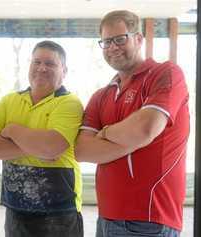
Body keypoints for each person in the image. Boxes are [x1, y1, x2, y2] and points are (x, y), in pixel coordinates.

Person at [75, 10, 189, 237]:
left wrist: (104, 132)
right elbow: (81, 150)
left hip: (150, 219)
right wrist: (133, 139)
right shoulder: (101, 95)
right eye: (106, 42)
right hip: (107, 216)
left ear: (138, 39)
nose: (113, 47)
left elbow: (144, 128)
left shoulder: (165, 74)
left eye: (120, 39)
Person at [0, 40, 84, 237]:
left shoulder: (69, 102)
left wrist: (12, 130)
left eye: (50, 63)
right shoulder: (9, 100)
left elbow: (52, 146)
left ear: (64, 71)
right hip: (15, 208)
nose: (42, 68)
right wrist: (38, 147)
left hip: (60, 211)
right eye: (36, 62)